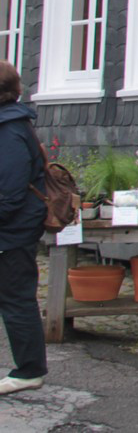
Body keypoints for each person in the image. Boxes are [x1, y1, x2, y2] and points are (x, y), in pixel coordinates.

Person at [0, 60, 47, 394]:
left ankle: (29, 371)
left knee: (17, 299)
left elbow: (11, 194)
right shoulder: (11, 123)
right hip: (13, 227)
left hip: (12, 231)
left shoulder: (9, 130)